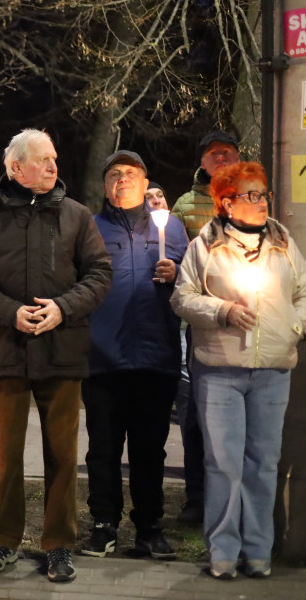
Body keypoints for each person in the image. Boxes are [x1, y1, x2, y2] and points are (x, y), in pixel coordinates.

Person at [0, 129, 111, 583]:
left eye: (54, 159)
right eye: (42, 159)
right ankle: (2, 542)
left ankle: (59, 546)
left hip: (63, 354)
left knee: (63, 456)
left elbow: (100, 274)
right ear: (15, 168)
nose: (52, 166)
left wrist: (62, 308)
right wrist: (9, 313)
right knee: (4, 457)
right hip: (6, 352)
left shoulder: (78, 216)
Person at [171, 161, 306, 579]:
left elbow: (305, 291)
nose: (261, 201)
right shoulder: (206, 245)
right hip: (220, 372)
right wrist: (222, 310)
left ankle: (257, 552)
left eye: (263, 193)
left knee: (262, 463)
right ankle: (222, 553)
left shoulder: (283, 241)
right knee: (223, 464)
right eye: (251, 195)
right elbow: (183, 298)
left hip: (272, 370)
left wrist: (295, 327)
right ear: (227, 202)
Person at [80, 151, 188, 560]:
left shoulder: (172, 229)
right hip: (103, 357)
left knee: (149, 449)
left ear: (146, 185)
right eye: (114, 174)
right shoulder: (89, 229)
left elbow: (196, 280)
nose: (122, 179)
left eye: (130, 173)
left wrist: (176, 274)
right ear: (105, 185)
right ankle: (104, 525)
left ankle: (149, 527)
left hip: (155, 356)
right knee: (102, 448)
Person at [170, 129, 242, 525]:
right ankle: (195, 496)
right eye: (213, 154)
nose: (220, 160)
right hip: (193, 327)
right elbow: (175, 256)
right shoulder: (186, 205)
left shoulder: (253, 197)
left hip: (242, 324)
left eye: (226, 153)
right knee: (194, 414)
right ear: (202, 161)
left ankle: (232, 497)